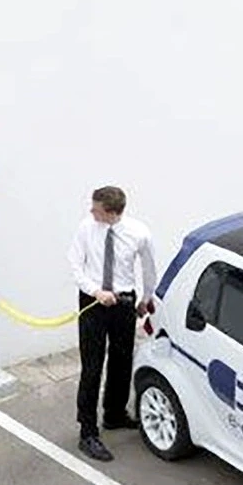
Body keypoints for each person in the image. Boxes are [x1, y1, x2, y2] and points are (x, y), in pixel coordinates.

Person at [67, 185, 157, 461]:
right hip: (94, 302)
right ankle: (88, 431)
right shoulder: (86, 228)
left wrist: (146, 297)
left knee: (121, 360)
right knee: (92, 367)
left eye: (96, 208)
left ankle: (115, 413)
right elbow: (74, 264)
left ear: (112, 212)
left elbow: (149, 267)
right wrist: (96, 291)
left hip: (123, 302)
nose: (91, 211)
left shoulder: (139, 233)